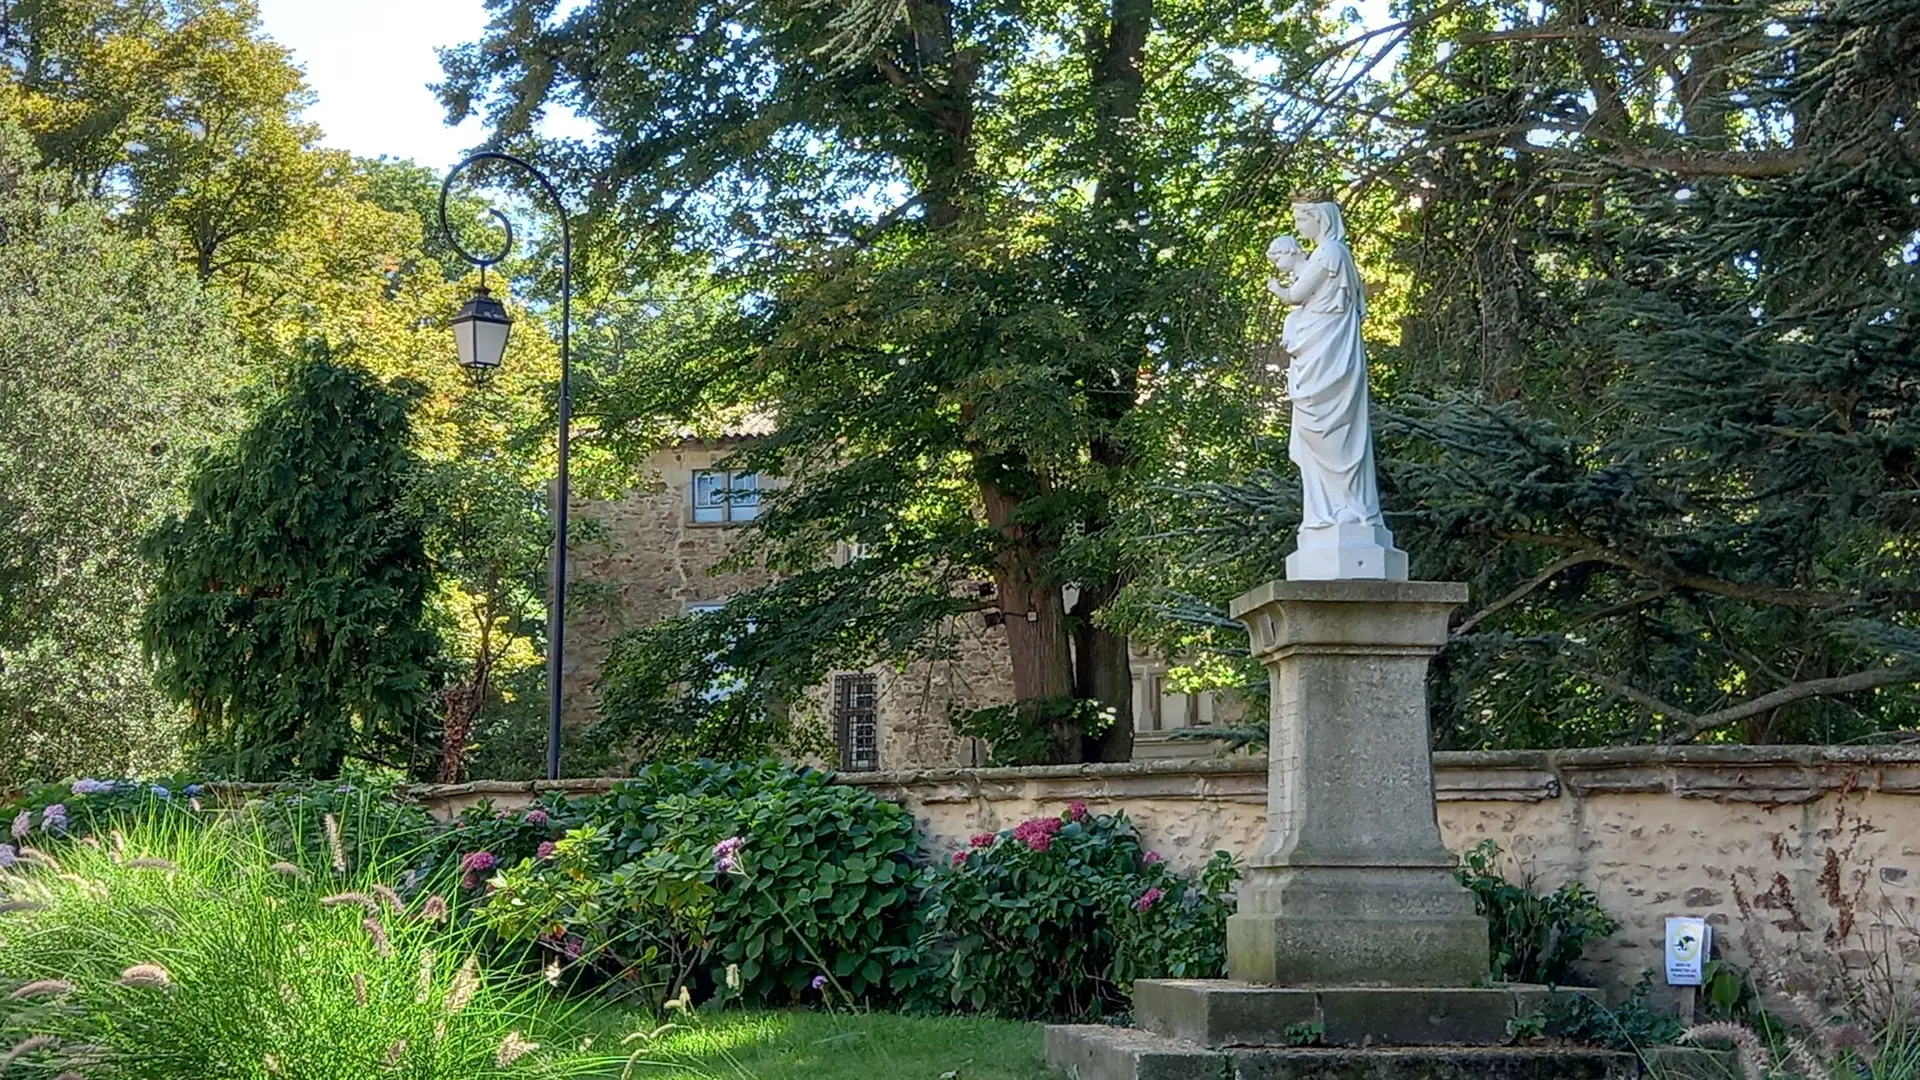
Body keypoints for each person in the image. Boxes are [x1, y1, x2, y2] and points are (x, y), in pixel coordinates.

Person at [1264, 197, 1385, 534]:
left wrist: (1278, 289)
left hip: (1330, 353)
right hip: (1315, 348)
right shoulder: (1323, 254)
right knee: (1312, 426)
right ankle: (1325, 512)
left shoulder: (1330, 253)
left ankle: (1352, 507)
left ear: (1319, 219)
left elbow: (1297, 293)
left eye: (1302, 220)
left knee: (1333, 427)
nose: (1298, 228)